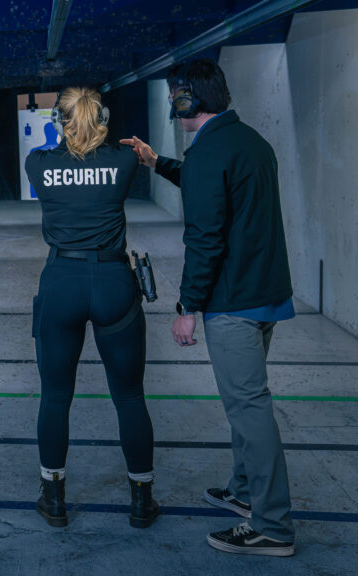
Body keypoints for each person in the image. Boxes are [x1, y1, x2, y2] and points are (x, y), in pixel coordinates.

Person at [121, 58, 296, 557]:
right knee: (246, 405)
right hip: (266, 294)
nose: (175, 104)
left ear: (191, 100)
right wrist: (160, 163)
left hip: (232, 302)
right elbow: (215, 188)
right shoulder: (247, 142)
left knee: (249, 409)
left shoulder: (207, 154)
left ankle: (273, 526)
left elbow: (204, 236)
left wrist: (186, 307)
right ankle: (245, 494)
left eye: (178, 95)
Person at [24, 87, 159, 529]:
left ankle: (54, 499)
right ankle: (141, 502)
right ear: (101, 118)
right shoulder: (123, 162)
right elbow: (127, 156)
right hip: (113, 283)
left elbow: (55, 150)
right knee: (129, 396)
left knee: (56, 396)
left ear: (60, 121)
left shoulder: (38, 165)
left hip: (62, 280)